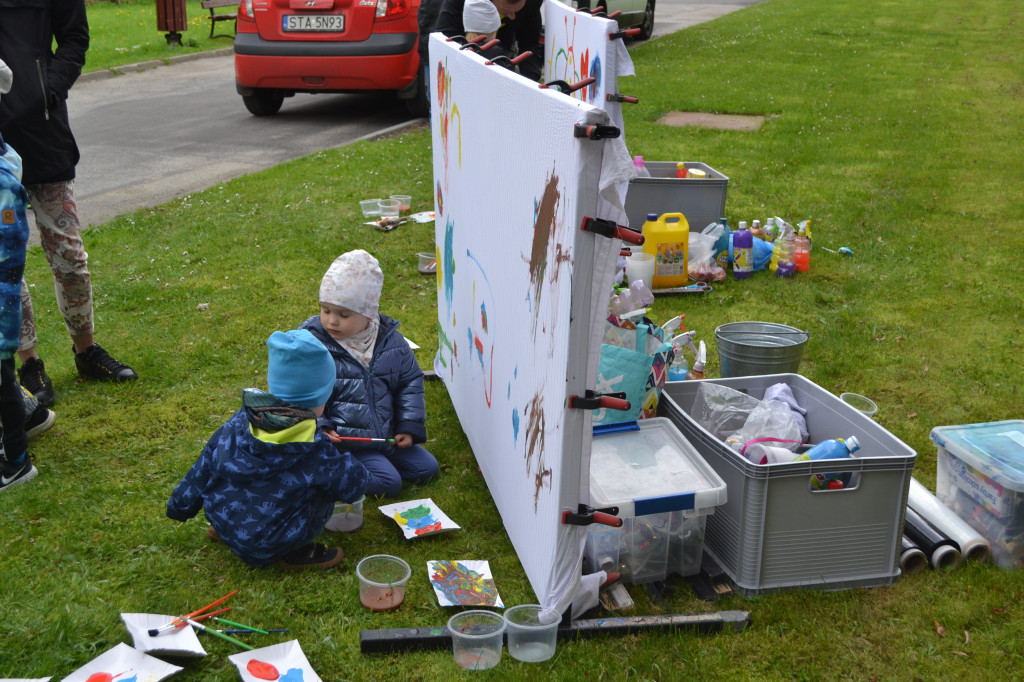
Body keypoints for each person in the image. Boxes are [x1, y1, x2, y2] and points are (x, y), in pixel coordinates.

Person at [0, 0, 137, 411]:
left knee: (69, 255)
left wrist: (47, 89)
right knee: (7, 263)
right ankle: (29, 365)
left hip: (45, 134)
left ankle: (86, 351)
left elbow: (75, 38)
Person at [166, 330, 370, 571]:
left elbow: (204, 466)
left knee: (223, 466)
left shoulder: (241, 420)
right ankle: (295, 551)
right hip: (267, 545)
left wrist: (179, 506)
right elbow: (355, 486)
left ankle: (229, 532)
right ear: (320, 397)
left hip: (224, 521)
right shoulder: (314, 450)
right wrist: (344, 461)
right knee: (321, 489)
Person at [301, 250, 438, 498]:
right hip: (344, 441)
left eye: (344, 314)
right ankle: (326, 473)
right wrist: (319, 425)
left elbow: (410, 382)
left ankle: (369, 466)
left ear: (369, 313)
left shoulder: (391, 342)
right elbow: (301, 391)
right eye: (325, 310)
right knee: (390, 483)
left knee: (427, 468)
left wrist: (408, 425)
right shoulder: (313, 344)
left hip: (386, 436)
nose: (331, 321)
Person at [0, 59, 37, 491]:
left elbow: (9, 248)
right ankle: (32, 418)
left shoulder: (5, 180)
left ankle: (15, 460)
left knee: (2, 381)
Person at [432, 0, 543, 80]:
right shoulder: (457, 6)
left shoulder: (532, 3)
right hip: (451, 51)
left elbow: (530, 42)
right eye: (506, 11)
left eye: (517, 11)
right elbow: (443, 42)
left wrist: (530, 82)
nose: (513, 17)